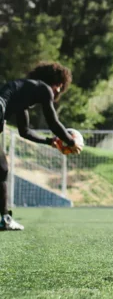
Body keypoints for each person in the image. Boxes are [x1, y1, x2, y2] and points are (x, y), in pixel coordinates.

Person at [0, 62, 82, 231]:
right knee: (1, 169)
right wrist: (71, 142)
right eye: (59, 86)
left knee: (2, 169)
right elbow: (53, 122)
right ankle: (5, 219)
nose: (59, 91)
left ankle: (4, 218)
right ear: (54, 83)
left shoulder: (22, 97)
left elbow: (25, 132)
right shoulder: (44, 89)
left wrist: (49, 141)